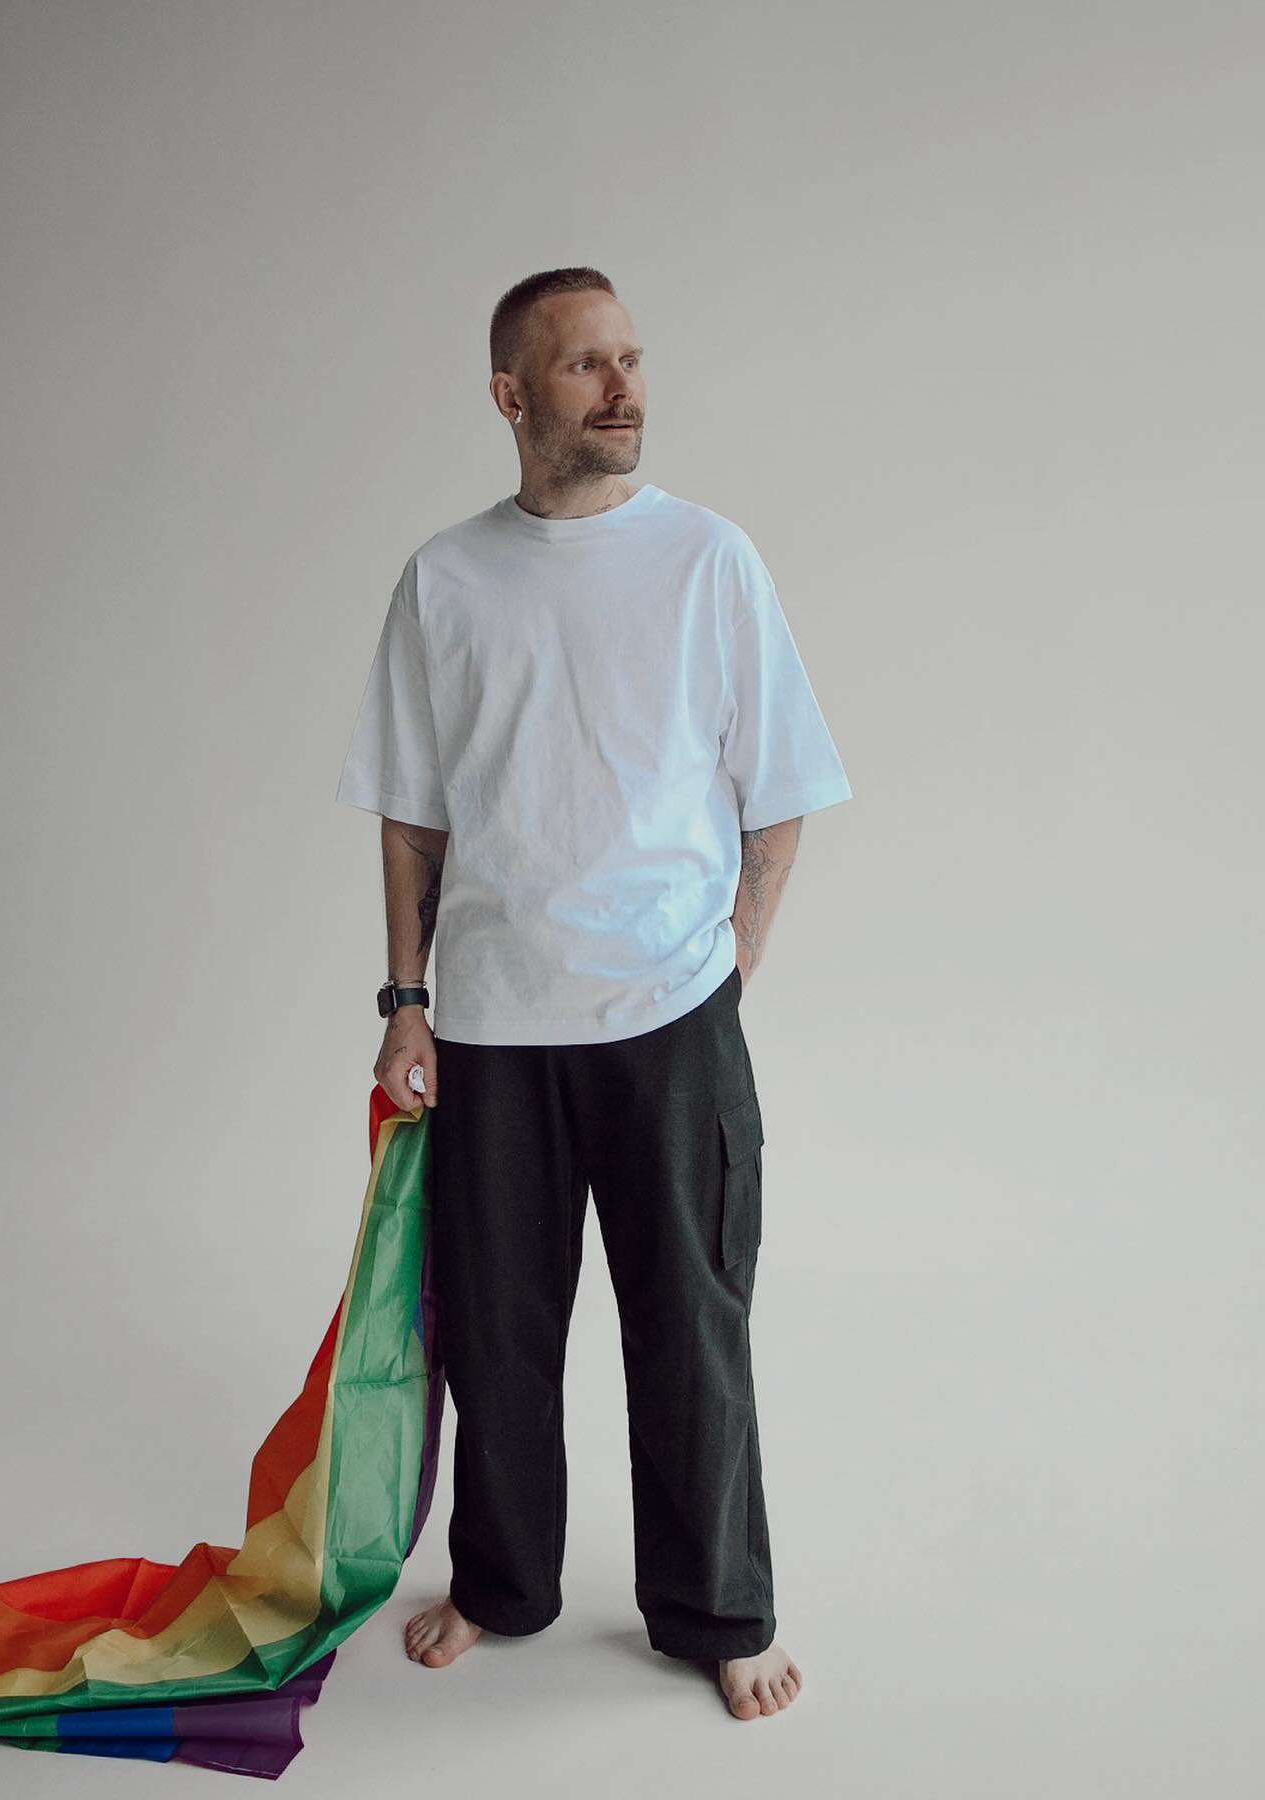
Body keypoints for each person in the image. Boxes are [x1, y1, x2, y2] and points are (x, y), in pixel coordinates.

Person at [333, 267, 851, 1722]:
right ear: (511, 395)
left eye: (630, 358)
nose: (623, 386)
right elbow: (412, 818)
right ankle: (503, 1585)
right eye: (584, 365)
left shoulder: (708, 560)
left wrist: (729, 963)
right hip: (494, 1026)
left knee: (691, 1333)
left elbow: (781, 790)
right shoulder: (444, 580)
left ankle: (719, 1611)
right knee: (499, 1337)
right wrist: (406, 999)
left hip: (671, 1020)